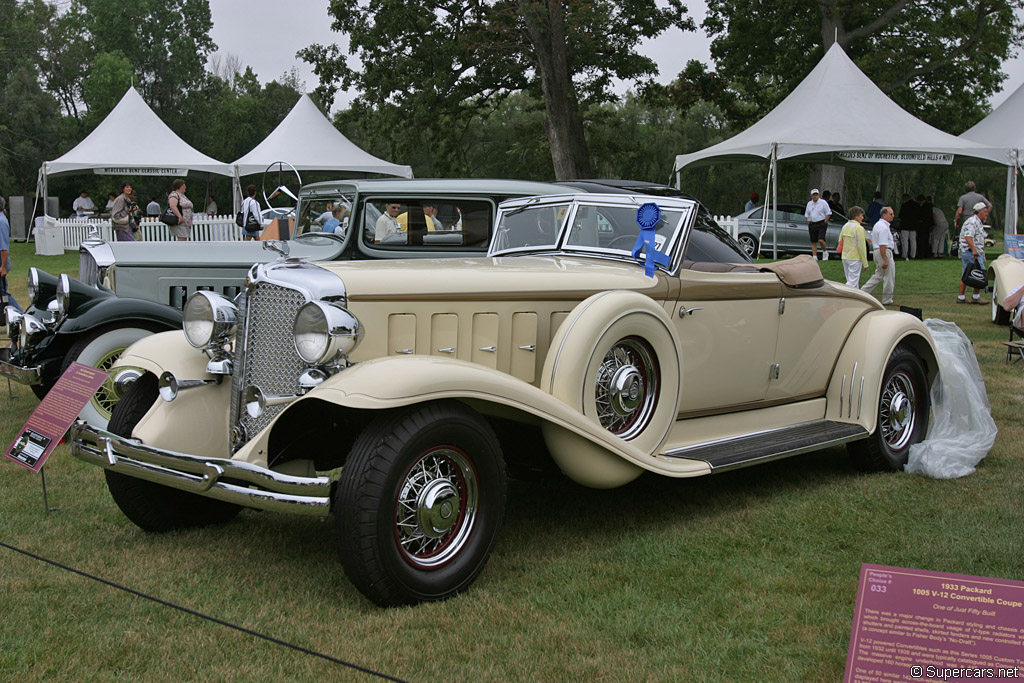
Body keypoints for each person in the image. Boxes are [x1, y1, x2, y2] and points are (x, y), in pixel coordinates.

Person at [861, 206, 896, 306]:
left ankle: (863, 292)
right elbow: (882, 244)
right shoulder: (883, 227)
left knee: (879, 275)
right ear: (884, 215)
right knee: (889, 276)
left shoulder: (879, 225)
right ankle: (887, 299)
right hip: (883, 252)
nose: (893, 216)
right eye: (891, 214)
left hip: (879, 252)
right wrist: (885, 259)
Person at [957, 202, 989, 304]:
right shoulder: (972, 222)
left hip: (972, 251)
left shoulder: (977, 222)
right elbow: (968, 237)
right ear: (979, 211)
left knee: (967, 272)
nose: (986, 213)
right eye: (985, 211)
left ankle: (962, 297)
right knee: (979, 272)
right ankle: (975, 297)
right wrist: (975, 250)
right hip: (970, 251)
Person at [0, 196, 22, 314]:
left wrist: (3, 267)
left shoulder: (0, 222)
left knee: (3, 293)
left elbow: (3, 248)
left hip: (1, 261)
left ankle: (21, 315)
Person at [836, 206, 868, 287]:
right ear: (856, 216)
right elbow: (862, 246)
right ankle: (842, 294)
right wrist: (865, 262)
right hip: (855, 258)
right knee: (852, 282)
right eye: (861, 215)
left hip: (845, 257)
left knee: (851, 280)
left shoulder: (845, 226)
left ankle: (853, 298)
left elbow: (840, 240)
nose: (862, 217)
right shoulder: (859, 228)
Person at [805, 188, 831, 260]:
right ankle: (814, 256)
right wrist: (808, 221)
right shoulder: (809, 204)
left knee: (821, 240)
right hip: (812, 223)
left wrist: (825, 221)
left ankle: (825, 252)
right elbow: (807, 214)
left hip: (821, 223)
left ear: (818, 195)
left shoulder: (823, 202)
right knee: (813, 241)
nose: (815, 196)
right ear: (811, 196)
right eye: (813, 195)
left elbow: (828, 213)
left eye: (816, 194)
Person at [898, 193, 918, 260]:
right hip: (913, 225)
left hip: (905, 225)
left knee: (905, 240)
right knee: (913, 240)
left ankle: (905, 254)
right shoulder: (916, 205)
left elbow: (900, 215)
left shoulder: (904, 205)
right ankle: (913, 254)